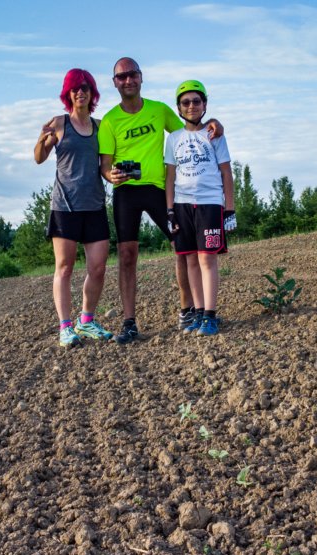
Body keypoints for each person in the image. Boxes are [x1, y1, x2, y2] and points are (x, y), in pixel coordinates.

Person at [98, 57, 222, 344]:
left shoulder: (159, 110)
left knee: (182, 247)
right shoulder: (109, 120)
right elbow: (104, 165)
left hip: (159, 189)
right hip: (126, 192)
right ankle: (129, 322)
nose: (128, 80)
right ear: (114, 82)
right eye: (121, 76)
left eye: (132, 74)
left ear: (141, 77)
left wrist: (214, 123)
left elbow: (190, 129)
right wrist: (110, 175)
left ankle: (189, 310)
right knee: (127, 255)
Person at [34, 68, 114, 348]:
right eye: (75, 88)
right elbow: (39, 158)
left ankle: (86, 321)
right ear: (68, 94)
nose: (80, 92)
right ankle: (65, 327)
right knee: (65, 267)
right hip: (64, 206)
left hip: (94, 205)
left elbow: (106, 164)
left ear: (92, 93)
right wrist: (42, 138)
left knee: (98, 267)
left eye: (85, 88)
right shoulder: (59, 123)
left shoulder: (101, 127)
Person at [164, 80, 236, 336]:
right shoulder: (173, 138)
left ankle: (210, 316)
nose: (191, 106)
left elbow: (226, 172)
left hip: (209, 203)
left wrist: (230, 208)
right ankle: (198, 311)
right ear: (179, 108)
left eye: (196, 101)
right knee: (191, 259)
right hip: (182, 204)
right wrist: (169, 210)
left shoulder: (214, 134)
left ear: (204, 104)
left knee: (207, 258)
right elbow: (170, 177)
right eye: (186, 102)